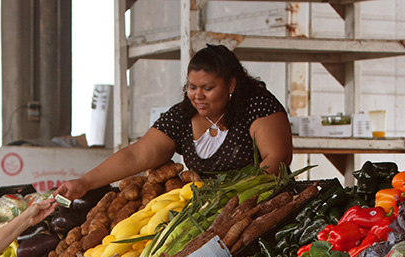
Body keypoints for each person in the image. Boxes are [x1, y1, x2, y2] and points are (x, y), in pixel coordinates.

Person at [57, 43, 293, 200]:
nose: (197, 95)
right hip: (206, 214)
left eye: (208, 88)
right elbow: (138, 154)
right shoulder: (182, 116)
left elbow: (277, 159)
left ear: (231, 85)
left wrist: (233, 197)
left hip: (264, 206)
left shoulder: (257, 105)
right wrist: (85, 182)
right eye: (192, 87)